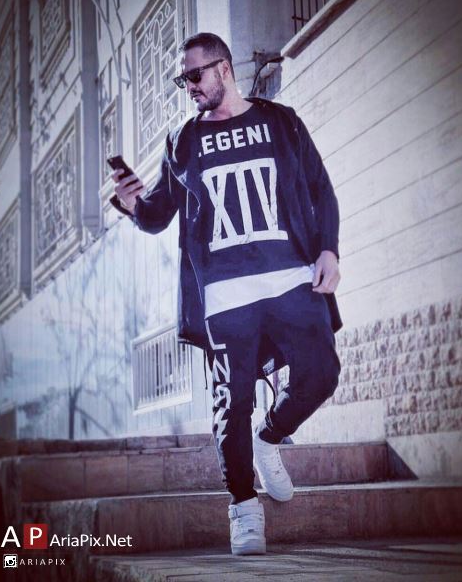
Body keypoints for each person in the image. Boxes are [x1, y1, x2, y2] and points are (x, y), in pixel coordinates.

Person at [110, 32, 342, 556]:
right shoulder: (183, 141)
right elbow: (158, 214)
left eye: (195, 75)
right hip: (224, 294)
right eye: (182, 79)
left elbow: (320, 188)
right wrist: (132, 204)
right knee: (231, 403)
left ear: (224, 68)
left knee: (322, 373)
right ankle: (242, 506)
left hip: (290, 277)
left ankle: (269, 437)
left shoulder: (280, 122)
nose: (189, 86)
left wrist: (328, 248)